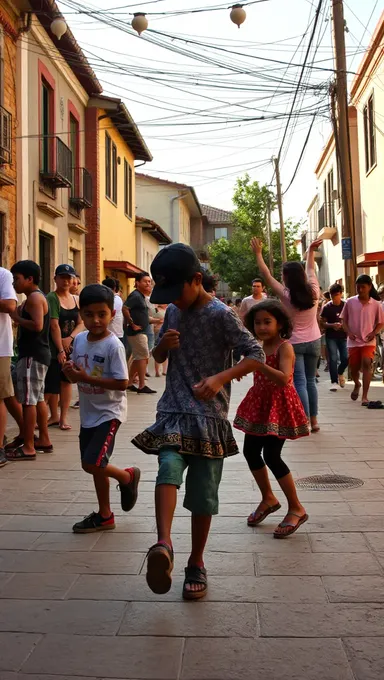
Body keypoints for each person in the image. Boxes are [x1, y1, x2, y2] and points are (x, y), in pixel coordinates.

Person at [132, 243, 265, 600]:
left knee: (203, 496)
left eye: (178, 292)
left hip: (209, 417)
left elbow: (256, 353)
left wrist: (221, 378)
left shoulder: (222, 314)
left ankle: (196, 561)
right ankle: (163, 545)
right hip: (174, 409)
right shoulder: (174, 313)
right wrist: (163, 348)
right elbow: (158, 353)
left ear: (196, 279)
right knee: (167, 470)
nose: (173, 301)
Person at [62, 284, 140, 532]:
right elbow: (77, 376)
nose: (95, 320)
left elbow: (122, 383)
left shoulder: (113, 345)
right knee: (97, 465)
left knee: (91, 463)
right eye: (88, 314)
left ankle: (128, 477)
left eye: (101, 314)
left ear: (112, 314)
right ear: (81, 314)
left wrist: (86, 378)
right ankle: (105, 515)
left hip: (109, 413)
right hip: (88, 414)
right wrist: (70, 373)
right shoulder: (81, 340)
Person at [234, 300, 309, 537]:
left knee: (272, 455)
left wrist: (259, 364)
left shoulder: (284, 347)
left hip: (279, 406)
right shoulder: (259, 347)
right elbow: (249, 366)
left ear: (280, 324)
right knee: (250, 452)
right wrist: (240, 369)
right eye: (257, 323)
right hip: (260, 404)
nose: (262, 327)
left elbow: (284, 378)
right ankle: (268, 498)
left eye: (267, 322)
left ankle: (296, 508)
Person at [251, 237, 322, 433]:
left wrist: (258, 254)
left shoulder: (286, 295)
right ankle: (315, 421)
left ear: (287, 277)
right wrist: (309, 252)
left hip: (294, 343)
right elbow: (311, 270)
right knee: (310, 381)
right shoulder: (314, 291)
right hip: (315, 340)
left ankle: (304, 421)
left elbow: (266, 275)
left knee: (299, 381)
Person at [6, 260, 52, 461]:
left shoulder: (34, 298)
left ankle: (29, 446)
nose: (14, 283)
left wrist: (16, 317)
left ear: (29, 279)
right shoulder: (36, 297)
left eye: (17, 279)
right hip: (39, 354)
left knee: (28, 401)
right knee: (38, 398)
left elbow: (37, 325)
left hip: (32, 355)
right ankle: (43, 438)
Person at [44, 264, 84, 430]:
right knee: (52, 383)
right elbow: (54, 325)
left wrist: (70, 338)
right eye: (63, 277)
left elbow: (81, 323)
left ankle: (63, 417)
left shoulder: (76, 299)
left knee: (66, 382)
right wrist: (61, 347)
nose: (67, 281)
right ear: (55, 279)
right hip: (54, 347)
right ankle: (52, 415)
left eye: (69, 277)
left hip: (71, 346)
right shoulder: (52, 298)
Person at [341, 274, 384, 405]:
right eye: (358, 287)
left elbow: (381, 322)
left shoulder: (376, 304)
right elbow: (344, 320)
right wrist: (348, 332)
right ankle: (356, 383)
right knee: (353, 368)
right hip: (353, 341)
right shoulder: (350, 302)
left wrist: (374, 333)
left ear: (370, 287)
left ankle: (364, 396)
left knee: (366, 363)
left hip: (368, 341)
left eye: (363, 287)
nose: (360, 290)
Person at [124, 273, 156, 395]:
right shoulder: (136, 296)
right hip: (136, 332)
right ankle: (142, 385)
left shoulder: (141, 297)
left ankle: (130, 382)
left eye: (149, 281)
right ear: (137, 283)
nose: (148, 283)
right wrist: (132, 324)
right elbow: (125, 308)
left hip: (140, 331)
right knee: (143, 357)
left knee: (139, 357)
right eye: (145, 281)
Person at [0, 266, 18, 466]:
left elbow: (10, 305)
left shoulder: (3, 275)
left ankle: (0, 448)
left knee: (0, 396)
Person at [320, 283, 348, 391]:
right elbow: (322, 322)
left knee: (345, 358)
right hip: (331, 336)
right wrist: (332, 325)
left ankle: (340, 372)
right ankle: (334, 381)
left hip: (344, 336)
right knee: (333, 358)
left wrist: (344, 326)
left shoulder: (345, 305)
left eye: (336, 294)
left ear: (341, 294)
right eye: (332, 295)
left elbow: (349, 320)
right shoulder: (327, 307)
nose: (334, 297)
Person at [102, 277, 124, 342]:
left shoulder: (116, 299)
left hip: (115, 334)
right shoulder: (111, 298)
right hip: (111, 333)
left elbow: (110, 316)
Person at [152, 304, 168, 377]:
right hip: (158, 331)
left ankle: (164, 370)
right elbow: (152, 320)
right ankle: (157, 371)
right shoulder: (156, 309)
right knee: (158, 350)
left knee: (166, 352)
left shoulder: (168, 309)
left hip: (166, 331)